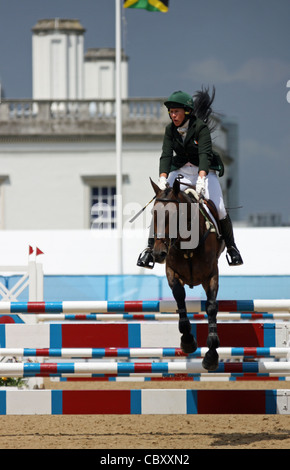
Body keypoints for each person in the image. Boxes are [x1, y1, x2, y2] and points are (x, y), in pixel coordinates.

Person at [137, 89, 243, 269]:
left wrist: (201, 179)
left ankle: (232, 248)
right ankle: (149, 248)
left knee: (220, 208)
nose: (173, 115)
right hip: (180, 172)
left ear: (186, 111)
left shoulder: (200, 127)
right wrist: (162, 178)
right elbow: (165, 155)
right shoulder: (170, 129)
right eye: (171, 112)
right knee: (161, 203)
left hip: (204, 171)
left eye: (176, 111)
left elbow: (204, 155)